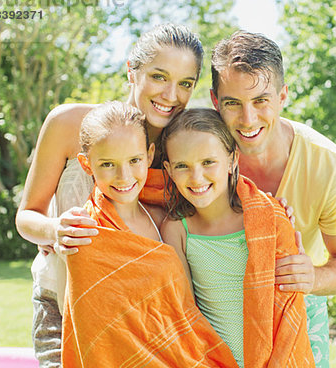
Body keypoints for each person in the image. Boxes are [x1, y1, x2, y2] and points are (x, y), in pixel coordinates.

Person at [15, 23, 204, 367]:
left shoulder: (183, 147)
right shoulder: (68, 123)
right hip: (64, 302)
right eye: (159, 76)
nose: (171, 94)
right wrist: (55, 230)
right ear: (132, 71)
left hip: (142, 318)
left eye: (185, 83)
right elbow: (27, 216)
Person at [210, 31, 336, 367]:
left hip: (296, 299)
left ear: (282, 95)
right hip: (214, 305)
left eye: (260, 101)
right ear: (214, 101)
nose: (248, 119)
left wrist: (313, 277)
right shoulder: (198, 154)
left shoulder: (329, 165)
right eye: (233, 103)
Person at [62, 101, 236, 367]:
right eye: (108, 164)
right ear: (87, 165)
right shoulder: (87, 234)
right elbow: (99, 334)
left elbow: (183, 308)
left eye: (134, 160)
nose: (124, 176)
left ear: (149, 154)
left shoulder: (162, 216)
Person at [160, 108, 315, 367]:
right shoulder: (177, 229)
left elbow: (287, 303)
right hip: (214, 360)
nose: (196, 177)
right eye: (182, 166)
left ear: (232, 160)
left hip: (274, 357)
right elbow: (185, 311)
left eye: (208, 162)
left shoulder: (267, 216)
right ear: (169, 169)